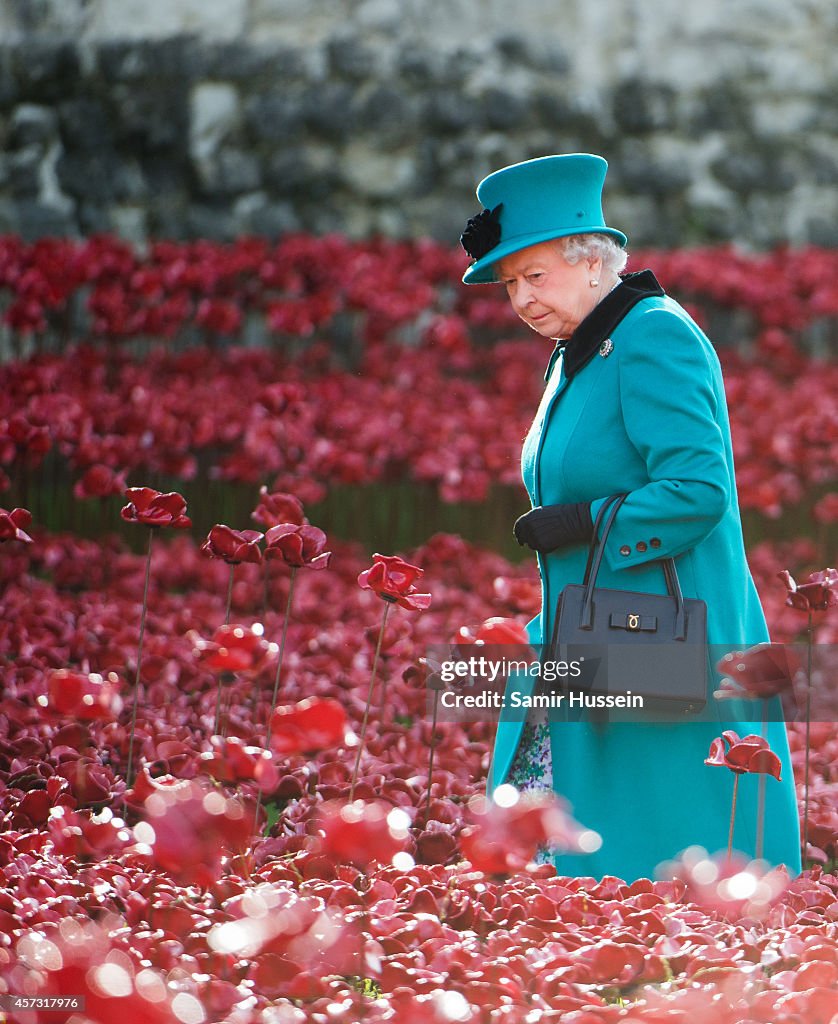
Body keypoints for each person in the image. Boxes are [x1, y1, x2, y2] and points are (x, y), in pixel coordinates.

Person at [459, 153, 802, 881]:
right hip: (597, 624)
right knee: (585, 836)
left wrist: (586, 521)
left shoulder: (653, 335)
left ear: (591, 263)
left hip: (661, 632)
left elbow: (699, 488)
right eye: (510, 283)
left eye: (535, 274)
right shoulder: (576, 351)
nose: (521, 298)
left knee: (669, 836)